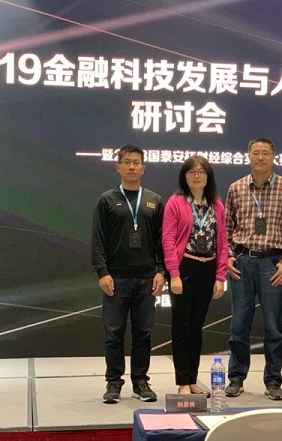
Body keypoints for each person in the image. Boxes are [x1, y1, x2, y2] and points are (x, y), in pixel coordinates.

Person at [225, 137, 282, 401]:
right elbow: (226, 229)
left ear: (273, 157)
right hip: (242, 263)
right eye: (255, 153)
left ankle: (273, 381)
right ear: (248, 156)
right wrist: (228, 257)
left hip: (273, 264)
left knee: (273, 327)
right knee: (239, 325)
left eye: (265, 153)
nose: (260, 157)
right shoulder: (236, 188)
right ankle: (236, 378)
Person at [91, 144, 165, 404]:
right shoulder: (107, 200)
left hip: (147, 278)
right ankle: (113, 382)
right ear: (118, 167)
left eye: (136, 162)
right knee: (114, 333)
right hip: (116, 278)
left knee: (143, 333)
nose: (132, 166)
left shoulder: (154, 200)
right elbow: (97, 240)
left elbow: (162, 240)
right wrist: (102, 272)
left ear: (143, 167)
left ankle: (140, 382)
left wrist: (161, 271)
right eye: (127, 162)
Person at [162, 155, 227, 395]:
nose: (196, 176)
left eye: (201, 171)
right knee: (182, 326)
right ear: (184, 176)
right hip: (184, 268)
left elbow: (223, 243)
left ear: (208, 176)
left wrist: (220, 277)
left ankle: (193, 380)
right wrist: (174, 274)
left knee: (197, 328)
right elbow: (168, 240)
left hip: (208, 269)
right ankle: (182, 382)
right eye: (191, 172)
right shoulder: (176, 202)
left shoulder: (217, 205)